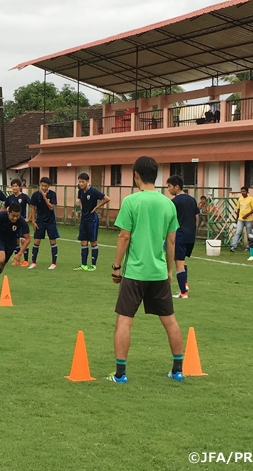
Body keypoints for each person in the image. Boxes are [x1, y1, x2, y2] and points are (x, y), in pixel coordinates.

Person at [108, 156, 184, 383]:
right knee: (170, 321)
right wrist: (169, 270)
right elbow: (171, 242)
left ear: (136, 175)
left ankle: (120, 374)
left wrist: (116, 267)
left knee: (124, 321)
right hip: (159, 272)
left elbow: (124, 236)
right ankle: (177, 370)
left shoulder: (131, 201)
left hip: (135, 273)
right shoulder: (168, 204)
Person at [167, 176, 199, 299]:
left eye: (169, 186)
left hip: (179, 235)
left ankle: (183, 293)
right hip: (190, 235)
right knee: (183, 261)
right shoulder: (192, 200)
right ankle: (185, 286)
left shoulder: (174, 202)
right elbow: (197, 218)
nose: (168, 190)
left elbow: (169, 220)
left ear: (177, 187)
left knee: (178, 263)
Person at [75, 172, 110, 271]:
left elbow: (107, 198)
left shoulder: (93, 191)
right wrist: (80, 209)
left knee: (93, 241)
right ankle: (83, 265)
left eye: (82, 182)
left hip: (92, 219)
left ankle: (93, 265)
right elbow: (80, 201)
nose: (81, 184)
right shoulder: (81, 192)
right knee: (83, 241)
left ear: (87, 181)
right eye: (80, 182)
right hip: (84, 219)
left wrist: (96, 207)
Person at [29, 177, 59, 270]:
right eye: (42, 185)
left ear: (49, 186)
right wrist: (33, 221)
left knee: (52, 241)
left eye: (45, 186)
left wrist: (45, 197)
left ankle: (53, 263)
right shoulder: (35, 195)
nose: (43, 188)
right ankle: (33, 262)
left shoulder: (52, 194)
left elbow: (51, 207)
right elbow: (33, 208)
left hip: (51, 221)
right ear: (40, 185)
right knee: (37, 241)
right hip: (40, 221)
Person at [4, 179, 32, 267]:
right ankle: (17, 260)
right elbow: (4, 208)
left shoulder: (24, 197)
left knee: (23, 240)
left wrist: (29, 218)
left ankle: (26, 260)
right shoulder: (9, 198)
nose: (14, 188)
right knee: (16, 241)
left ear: (20, 187)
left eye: (16, 186)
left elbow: (33, 206)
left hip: (21, 222)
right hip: (12, 223)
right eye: (13, 186)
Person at [230, 186, 253, 252]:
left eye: (244, 191)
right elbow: (238, 209)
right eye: (242, 191)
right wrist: (236, 219)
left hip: (248, 219)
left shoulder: (251, 199)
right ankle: (233, 246)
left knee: (249, 234)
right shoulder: (240, 199)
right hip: (240, 219)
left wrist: (247, 215)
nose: (243, 193)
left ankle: (248, 247)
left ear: (247, 192)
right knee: (238, 232)